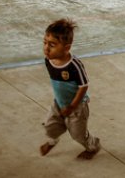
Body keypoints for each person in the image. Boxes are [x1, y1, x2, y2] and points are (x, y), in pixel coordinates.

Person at [39, 19, 101, 160]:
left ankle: (93, 145)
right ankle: (52, 141)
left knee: (77, 134)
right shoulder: (48, 60)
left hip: (77, 106)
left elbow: (84, 86)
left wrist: (72, 106)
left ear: (66, 48)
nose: (46, 48)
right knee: (50, 127)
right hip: (59, 102)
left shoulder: (74, 66)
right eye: (45, 43)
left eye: (52, 45)